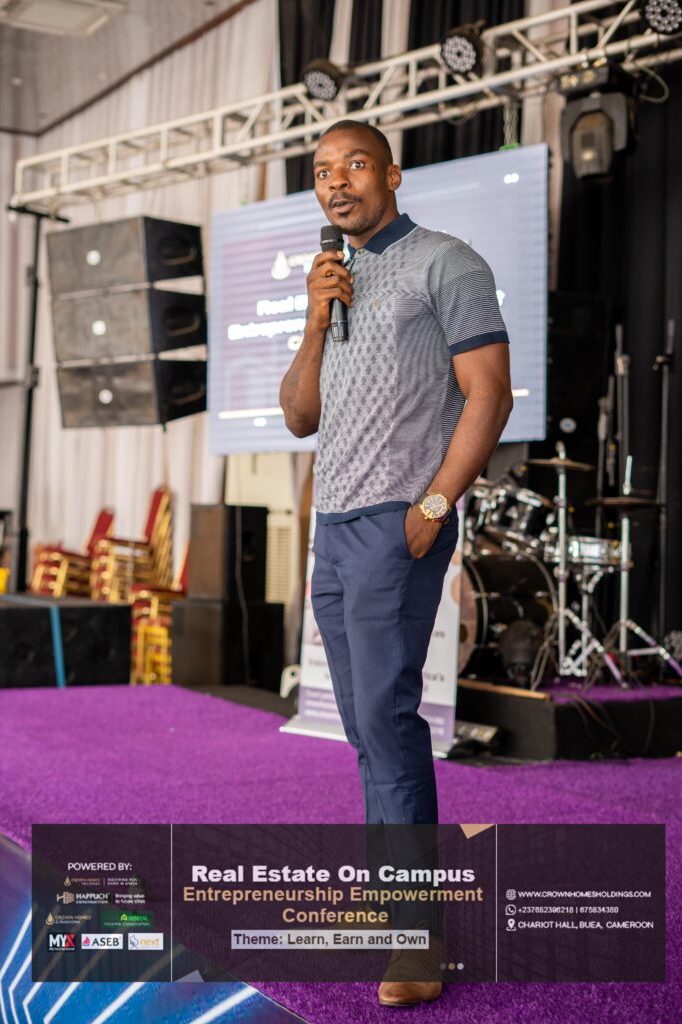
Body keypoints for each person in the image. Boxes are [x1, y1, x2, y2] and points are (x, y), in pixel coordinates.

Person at [279, 120, 513, 1006]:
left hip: (396, 522)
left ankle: (416, 939)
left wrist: (434, 506)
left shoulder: (445, 262)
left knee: (385, 718)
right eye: (322, 172)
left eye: (354, 165)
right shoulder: (333, 280)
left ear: (392, 174)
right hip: (334, 528)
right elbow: (299, 415)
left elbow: (488, 393)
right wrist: (313, 320)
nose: (337, 182)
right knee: (363, 728)